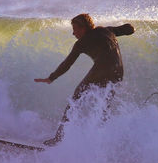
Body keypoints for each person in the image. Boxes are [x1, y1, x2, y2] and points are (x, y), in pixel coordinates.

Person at [34, 14, 135, 146]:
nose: (73, 33)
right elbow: (129, 29)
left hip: (102, 70)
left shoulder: (81, 43)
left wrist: (51, 78)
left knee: (75, 100)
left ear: (83, 28)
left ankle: (59, 139)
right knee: (104, 105)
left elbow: (67, 64)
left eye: (75, 29)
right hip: (118, 72)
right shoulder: (106, 30)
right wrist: (127, 29)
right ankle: (101, 140)